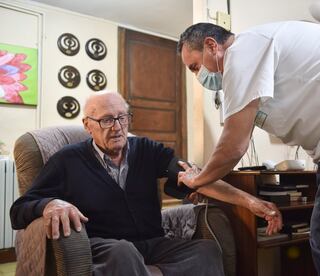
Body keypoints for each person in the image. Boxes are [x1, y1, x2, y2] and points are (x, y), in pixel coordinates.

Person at [177, 21, 320, 275]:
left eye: (195, 67)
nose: (198, 77)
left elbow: (233, 147)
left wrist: (197, 179)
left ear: (212, 45)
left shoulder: (241, 53)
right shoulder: (252, 55)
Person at [10, 91, 281, 276]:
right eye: (106, 119)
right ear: (87, 125)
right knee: (123, 253)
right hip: (105, 245)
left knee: (207, 250)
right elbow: (20, 209)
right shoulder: (66, 160)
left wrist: (252, 201)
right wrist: (49, 204)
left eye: (122, 117)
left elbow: (197, 178)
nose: (116, 126)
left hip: (152, 242)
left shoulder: (146, 150)